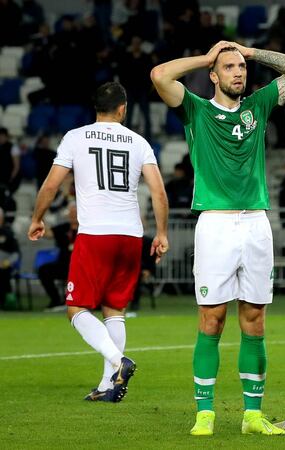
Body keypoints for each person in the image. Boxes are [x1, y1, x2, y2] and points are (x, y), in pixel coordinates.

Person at [150, 40, 285, 436]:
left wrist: (254, 53)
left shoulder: (258, 105)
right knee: (212, 319)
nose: (238, 72)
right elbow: (159, 75)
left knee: (254, 320)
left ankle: (253, 416)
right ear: (214, 75)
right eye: (229, 67)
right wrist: (206, 56)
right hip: (216, 224)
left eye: (241, 66)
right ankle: (205, 413)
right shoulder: (196, 110)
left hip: (256, 223)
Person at [27, 82, 169, 403]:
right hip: (131, 236)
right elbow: (159, 192)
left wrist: (38, 218)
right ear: (122, 109)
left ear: (96, 108)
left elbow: (51, 185)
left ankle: (120, 363)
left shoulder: (76, 137)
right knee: (114, 308)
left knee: (75, 308)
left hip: (96, 234)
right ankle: (108, 385)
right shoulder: (139, 142)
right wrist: (161, 233)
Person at [39, 203, 78, 311]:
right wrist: (39, 218)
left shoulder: (86, 228)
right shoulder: (63, 228)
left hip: (82, 267)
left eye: (76, 213)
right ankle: (56, 300)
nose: (73, 215)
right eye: (72, 213)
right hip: (64, 265)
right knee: (44, 270)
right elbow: (47, 233)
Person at [0, 208, 19, 309]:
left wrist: (6, 262)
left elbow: (16, 254)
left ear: (2, 218)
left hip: (5, 265)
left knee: (2, 273)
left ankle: (5, 301)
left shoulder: (8, 233)